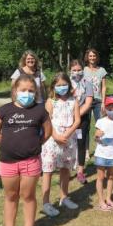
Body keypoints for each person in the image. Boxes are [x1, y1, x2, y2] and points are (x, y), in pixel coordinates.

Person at [0, 74, 51, 226]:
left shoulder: (40, 111)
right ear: (15, 91)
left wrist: (36, 144)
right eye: (23, 90)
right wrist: (8, 143)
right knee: (10, 196)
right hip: (8, 162)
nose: (27, 93)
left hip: (31, 162)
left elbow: (48, 131)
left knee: (28, 196)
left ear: (36, 92)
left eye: (31, 90)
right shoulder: (4, 110)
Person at [40, 73, 81, 217]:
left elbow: (77, 120)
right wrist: (56, 136)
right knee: (48, 170)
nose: (62, 87)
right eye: (58, 85)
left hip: (69, 140)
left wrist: (68, 134)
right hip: (52, 140)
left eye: (64, 84)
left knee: (65, 168)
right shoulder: (51, 101)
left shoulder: (73, 100)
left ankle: (64, 197)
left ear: (69, 85)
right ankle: (46, 202)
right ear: (53, 87)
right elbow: (46, 120)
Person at [93, 96, 113, 211]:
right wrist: (97, 135)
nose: (112, 110)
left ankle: (108, 198)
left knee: (110, 176)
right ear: (105, 109)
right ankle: (101, 201)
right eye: (109, 108)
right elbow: (95, 138)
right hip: (101, 154)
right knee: (100, 177)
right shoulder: (100, 121)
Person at [69, 59, 94, 184]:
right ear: (70, 71)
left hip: (82, 119)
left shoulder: (87, 83)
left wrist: (77, 116)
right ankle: (66, 170)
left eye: (79, 70)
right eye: (74, 70)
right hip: (67, 119)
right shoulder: (66, 83)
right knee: (68, 143)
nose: (77, 72)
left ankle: (80, 171)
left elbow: (88, 102)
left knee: (80, 143)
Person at [83, 48, 108, 122]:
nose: (92, 58)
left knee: (100, 123)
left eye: (94, 56)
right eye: (90, 56)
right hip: (86, 100)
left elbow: (103, 87)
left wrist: (103, 102)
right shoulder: (84, 70)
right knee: (85, 124)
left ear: (97, 57)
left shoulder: (102, 70)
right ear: (87, 57)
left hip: (98, 100)